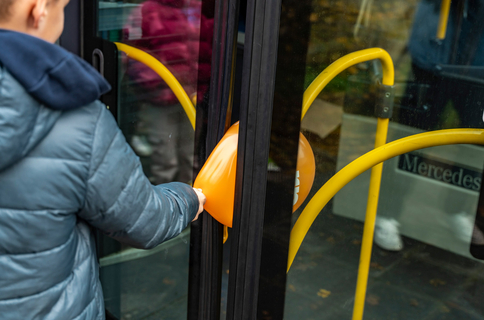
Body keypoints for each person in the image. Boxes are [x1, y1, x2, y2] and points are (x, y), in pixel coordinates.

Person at [0, 0, 206, 319]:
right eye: (63, 7)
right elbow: (143, 221)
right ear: (38, 9)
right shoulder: (75, 121)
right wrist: (189, 199)